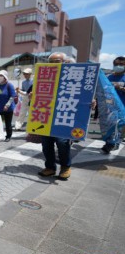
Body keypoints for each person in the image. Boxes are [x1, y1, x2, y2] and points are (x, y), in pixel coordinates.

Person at [37, 52, 72, 180]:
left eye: (57, 61)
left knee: (62, 143)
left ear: (65, 62)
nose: (53, 64)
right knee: (46, 144)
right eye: (50, 61)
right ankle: (50, 167)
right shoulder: (44, 77)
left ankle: (65, 167)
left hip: (64, 116)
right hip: (46, 116)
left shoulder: (73, 77)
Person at [102, 56, 125, 153]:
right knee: (110, 126)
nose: (118, 66)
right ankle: (112, 143)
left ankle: (111, 144)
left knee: (118, 126)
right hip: (109, 107)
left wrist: (120, 88)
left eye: (121, 64)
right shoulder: (108, 77)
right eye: (116, 64)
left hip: (122, 107)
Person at [0, 69, 16, 142]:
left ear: (5, 77)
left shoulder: (9, 85)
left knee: (8, 123)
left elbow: (12, 96)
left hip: (8, 108)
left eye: (1, 76)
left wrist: (7, 105)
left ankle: (8, 136)